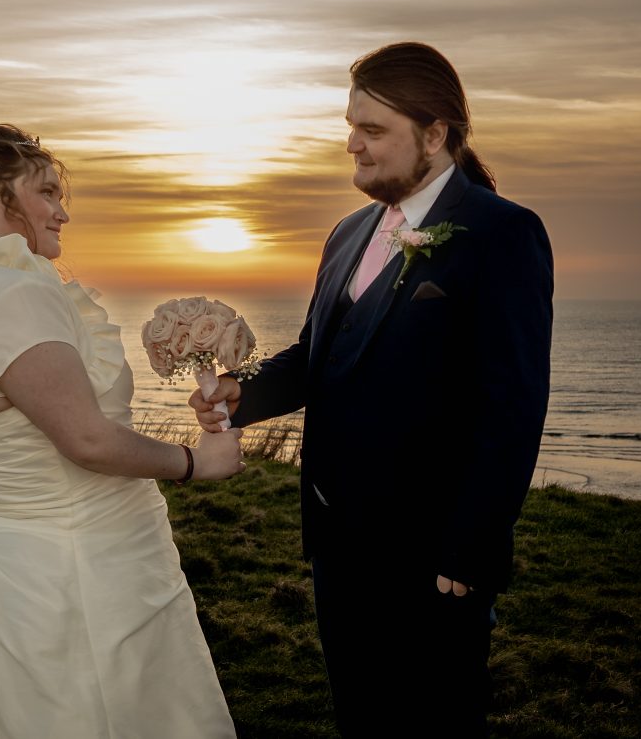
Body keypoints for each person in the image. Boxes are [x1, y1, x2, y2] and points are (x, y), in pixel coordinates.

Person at [191, 43, 553, 736]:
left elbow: (512, 404)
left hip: (435, 558)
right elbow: (317, 357)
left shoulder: (502, 233)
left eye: (374, 129)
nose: (352, 144)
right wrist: (243, 392)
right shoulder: (347, 232)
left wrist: (471, 548)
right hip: (338, 547)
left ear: (437, 132)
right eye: (350, 125)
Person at [0, 123, 243, 738]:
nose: (61, 212)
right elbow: (87, 441)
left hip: (12, 565)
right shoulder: (11, 294)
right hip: (75, 574)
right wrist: (197, 461)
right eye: (47, 192)